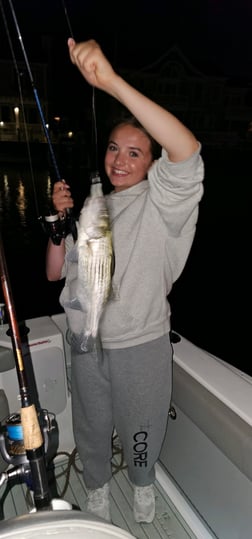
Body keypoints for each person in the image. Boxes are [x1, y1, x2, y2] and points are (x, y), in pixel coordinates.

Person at [46, 38, 204, 524]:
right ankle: (95, 486)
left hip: (140, 341)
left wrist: (110, 82)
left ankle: (140, 480)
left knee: (142, 422)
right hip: (85, 339)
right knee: (92, 424)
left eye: (135, 152)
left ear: (153, 164)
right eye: (114, 147)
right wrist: (57, 225)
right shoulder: (94, 209)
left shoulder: (163, 204)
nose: (120, 159)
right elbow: (56, 273)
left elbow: (187, 150)